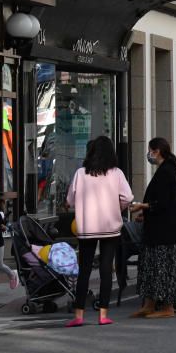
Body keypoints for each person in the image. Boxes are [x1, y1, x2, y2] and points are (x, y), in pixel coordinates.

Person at [64, 136, 133, 326]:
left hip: (87, 228)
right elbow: (127, 197)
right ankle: (103, 314)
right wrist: (115, 208)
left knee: (84, 270)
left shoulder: (80, 173)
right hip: (110, 227)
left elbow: (69, 200)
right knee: (105, 270)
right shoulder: (116, 173)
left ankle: (79, 315)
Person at [130, 137, 176, 318]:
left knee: (163, 267)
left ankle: (167, 307)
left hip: (165, 232)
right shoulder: (164, 171)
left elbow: (163, 202)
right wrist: (145, 213)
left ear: (157, 151)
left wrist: (143, 206)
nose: (149, 154)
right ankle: (149, 303)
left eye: (150, 150)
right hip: (157, 229)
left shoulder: (167, 172)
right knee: (151, 266)